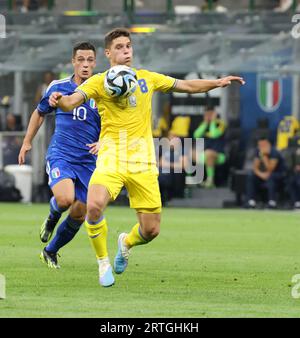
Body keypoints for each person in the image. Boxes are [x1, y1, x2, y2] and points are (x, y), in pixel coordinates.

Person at [48, 27, 245, 287]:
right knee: (94, 206)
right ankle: (102, 262)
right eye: (119, 47)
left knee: (151, 230)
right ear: (108, 53)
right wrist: (59, 100)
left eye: (128, 45)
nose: (126, 50)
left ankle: (125, 243)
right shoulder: (98, 82)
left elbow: (185, 85)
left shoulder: (147, 78)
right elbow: (72, 102)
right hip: (112, 155)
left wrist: (216, 82)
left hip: (142, 159)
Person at [18, 42, 101, 273]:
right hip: (62, 154)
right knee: (65, 200)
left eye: (89, 60)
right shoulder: (59, 87)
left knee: (79, 212)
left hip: (88, 161)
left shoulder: (103, 89)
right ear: (73, 62)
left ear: (95, 62)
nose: (85, 65)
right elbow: (40, 112)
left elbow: (114, 123)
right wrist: (27, 142)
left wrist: (104, 141)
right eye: (81, 60)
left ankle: (50, 251)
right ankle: (53, 216)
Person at [245, 136, 286, 209]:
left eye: (262, 145)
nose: (260, 147)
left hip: (277, 175)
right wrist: (261, 175)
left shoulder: (274, 152)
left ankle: (272, 202)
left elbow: (270, 168)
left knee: (271, 177)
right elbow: (255, 167)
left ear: (268, 144)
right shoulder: (258, 151)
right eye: (259, 145)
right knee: (251, 176)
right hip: (263, 175)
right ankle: (251, 201)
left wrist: (264, 156)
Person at [193, 107, 226, 188]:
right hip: (204, 154)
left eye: (210, 114)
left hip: (219, 155)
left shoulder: (221, 124)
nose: (208, 116)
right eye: (206, 114)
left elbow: (214, 134)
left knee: (209, 153)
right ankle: (192, 181)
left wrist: (213, 121)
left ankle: (210, 181)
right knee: (192, 152)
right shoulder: (203, 124)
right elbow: (196, 135)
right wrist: (205, 123)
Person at [158, 132, 188, 205]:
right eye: (171, 139)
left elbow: (183, 165)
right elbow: (160, 163)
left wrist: (168, 165)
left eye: (174, 140)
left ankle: (168, 198)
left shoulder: (182, 151)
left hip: (174, 174)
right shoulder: (166, 151)